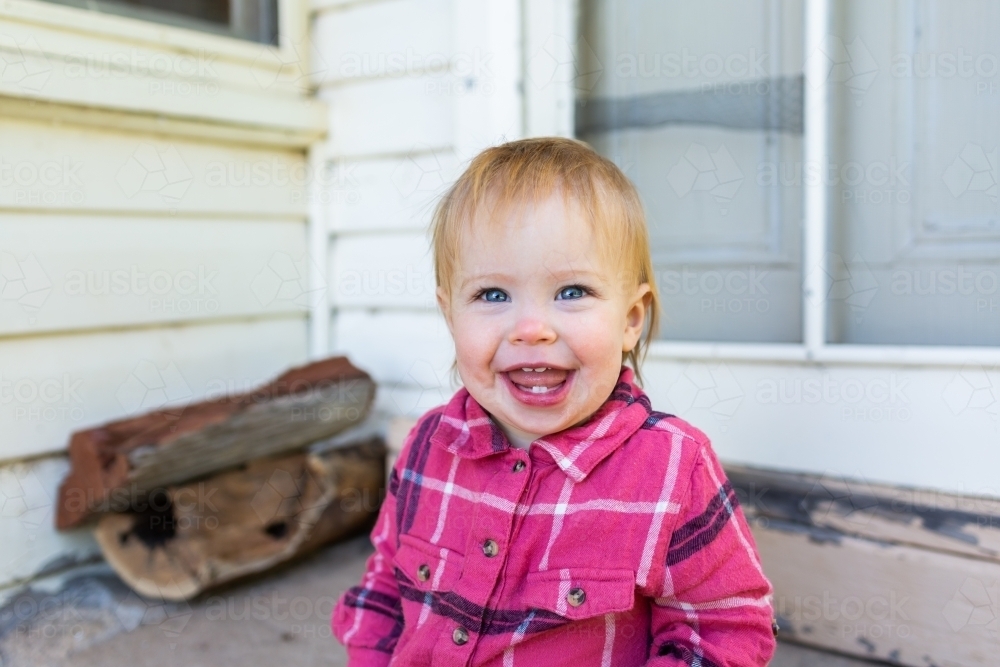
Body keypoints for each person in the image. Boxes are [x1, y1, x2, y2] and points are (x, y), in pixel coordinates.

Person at [332, 137, 776, 666]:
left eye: (571, 292)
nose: (531, 329)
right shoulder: (429, 445)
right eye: (493, 295)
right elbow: (384, 588)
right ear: (451, 316)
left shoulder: (673, 468)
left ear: (631, 319)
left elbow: (724, 629)